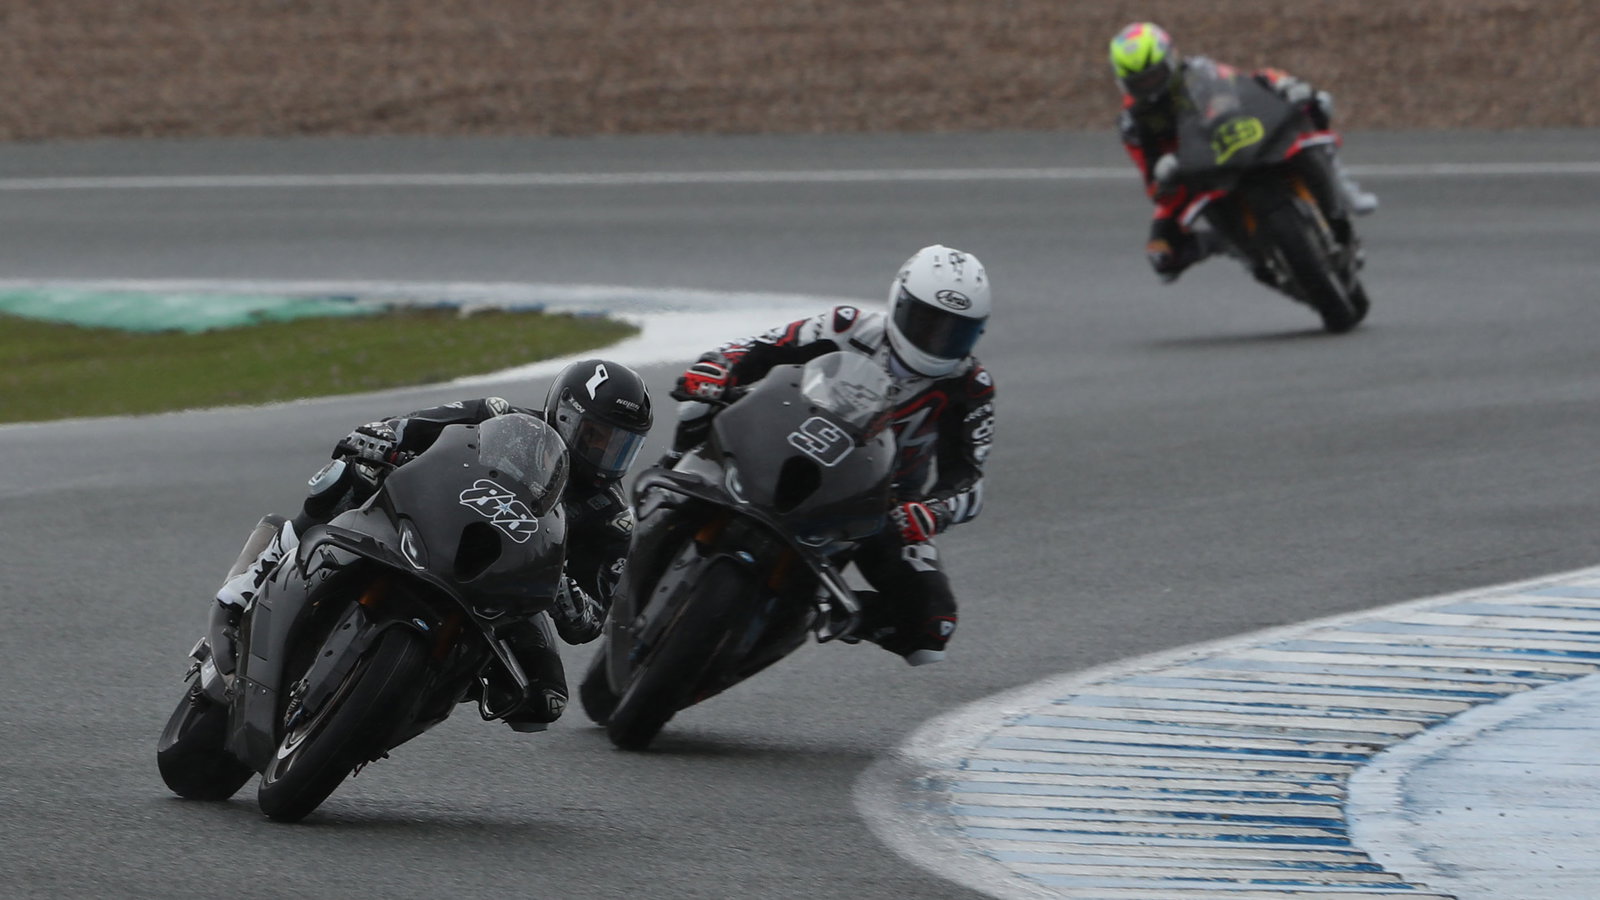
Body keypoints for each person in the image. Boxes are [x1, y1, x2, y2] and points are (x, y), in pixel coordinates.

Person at [203, 358, 653, 731]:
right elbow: (409, 426)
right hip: (431, 525)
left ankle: (413, 695)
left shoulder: (611, 518)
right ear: (566, 415)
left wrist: (565, 592)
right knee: (349, 474)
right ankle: (250, 584)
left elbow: (590, 621)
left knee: (545, 698)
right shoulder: (502, 418)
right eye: (597, 436)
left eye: (621, 446)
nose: (605, 454)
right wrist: (383, 438)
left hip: (504, 588)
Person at [668, 244, 994, 666]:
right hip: (792, 440)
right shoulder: (846, 325)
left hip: (878, 501)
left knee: (933, 628)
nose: (939, 341)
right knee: (700, 400)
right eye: (929, 323)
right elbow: (759, 347)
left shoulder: (971, 386)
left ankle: (821, 612)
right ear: (899, 303)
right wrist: (718, 367)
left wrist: (932, 512)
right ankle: (675, 478)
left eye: (956, 332)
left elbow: (970, 478)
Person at [1109, 21, 1378, 282]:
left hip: (1241, 137)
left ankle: (1343, 193)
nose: (1150, 87)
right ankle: (1232, 246)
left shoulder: (1201, 71)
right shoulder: (1133, 123)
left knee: (1315, 107)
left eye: (1154, 76)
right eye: (1139, 82)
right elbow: (1153, 183)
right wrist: (1165, 175)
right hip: (1196, 168)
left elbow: (1250, 83)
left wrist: (1286, 85)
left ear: (1171, 60)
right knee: (1162, 257)